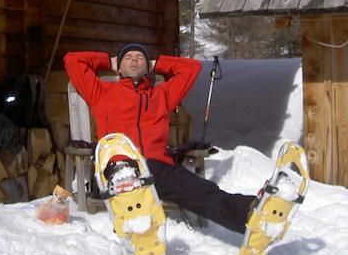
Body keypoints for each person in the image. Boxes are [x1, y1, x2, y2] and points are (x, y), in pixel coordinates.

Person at [64, 44, 256, 234]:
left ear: (148, 68)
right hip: (116, 168)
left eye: (140, 58)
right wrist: (108, 61)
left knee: (198, 188)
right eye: (128, 57)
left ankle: (249, 214)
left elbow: (192, 68)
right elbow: (72, 60)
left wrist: (157, 63)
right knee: (134, 170)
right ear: (119, 67)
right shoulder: (101, 92)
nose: (134, 60)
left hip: (156, 171)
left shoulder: (162, 95)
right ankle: (136, 212)